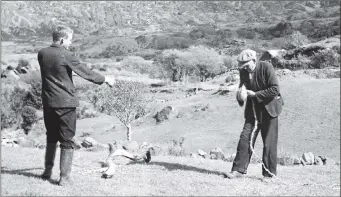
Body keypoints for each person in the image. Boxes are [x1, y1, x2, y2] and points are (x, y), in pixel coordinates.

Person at [37, 25, 115, 186]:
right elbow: (86, 72)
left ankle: (47, 172)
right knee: (67, 140)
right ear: (62, 39)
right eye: (70, 40)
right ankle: (64, 179)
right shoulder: (66, 55)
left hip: (48, 102)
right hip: (66, 103)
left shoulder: (42, 54)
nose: (71, 43)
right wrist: (106, 79)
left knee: (51, 136)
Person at [224, 49, 284, 181]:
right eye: (243, 66)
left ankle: (269, 175)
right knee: (245, 138)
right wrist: (240, 95)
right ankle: (238, 170)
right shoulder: (243, 71)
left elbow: (274, 89)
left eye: (247, 65)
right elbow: (243, 87)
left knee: (269, 143)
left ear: (254, 60)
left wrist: (255, 95)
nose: (245, 68)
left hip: (270, 109)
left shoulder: (266, 67)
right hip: (252, 110)